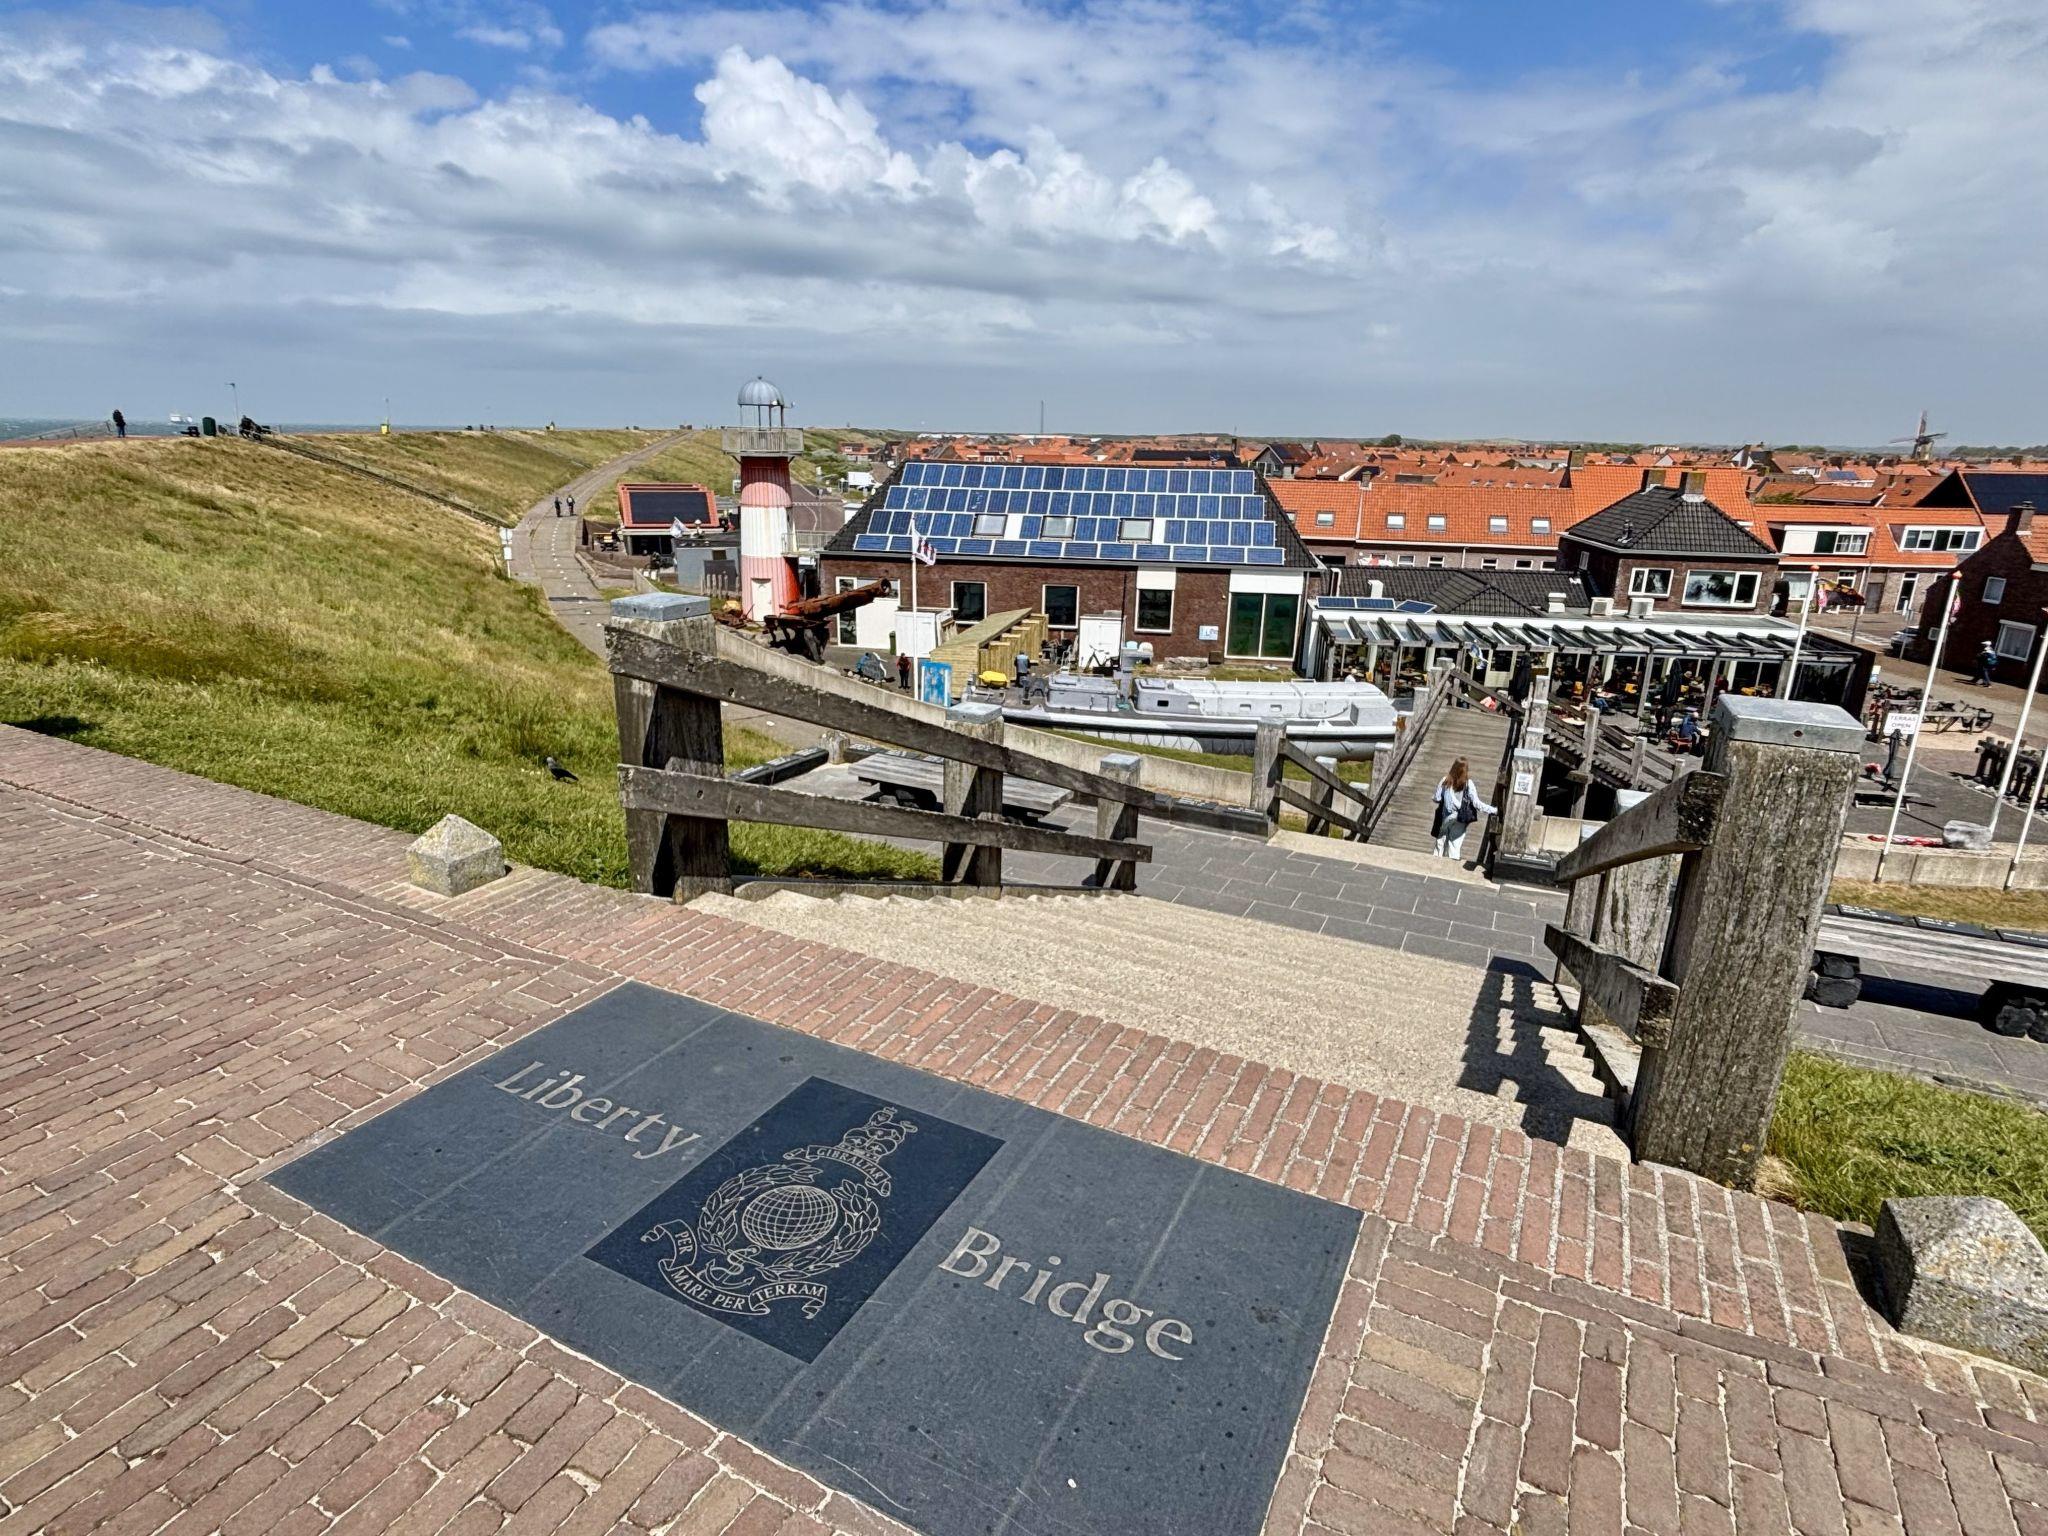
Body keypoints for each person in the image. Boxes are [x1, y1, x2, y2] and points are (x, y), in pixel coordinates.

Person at [1431, 757, 1497, 862]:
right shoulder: (1468, 783)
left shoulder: (1445, 780)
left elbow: (1437, 798)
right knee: (1454, 845)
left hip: (1446, 818)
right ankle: (1451, 866)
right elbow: (1477, 804)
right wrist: (1494, 810)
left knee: (1440, 842)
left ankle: (1434, 863)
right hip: (1460, 818)